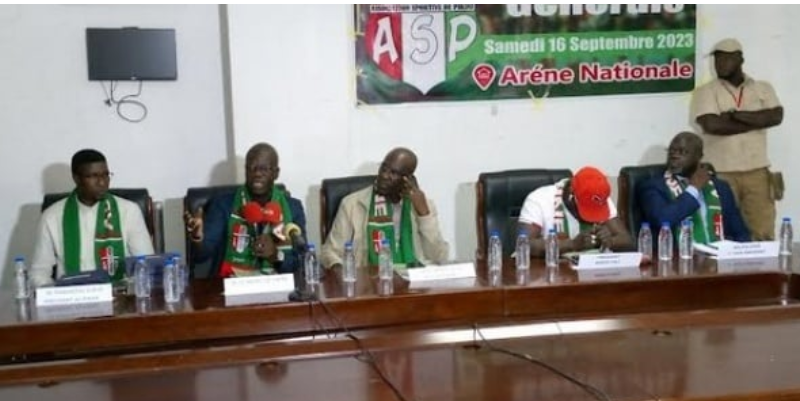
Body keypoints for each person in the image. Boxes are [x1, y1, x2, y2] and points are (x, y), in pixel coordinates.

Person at [691, 38, 783, 240]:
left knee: (762, 233)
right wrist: (757, 119)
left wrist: (733, 115)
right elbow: (712, 125)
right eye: (717, 59)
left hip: (757, 172)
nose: (719, 63)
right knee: (723, 233)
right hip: (720, 174)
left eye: (725, 58)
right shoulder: (705, 92)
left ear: (740, 59)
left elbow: (776, 117)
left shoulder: (763, 88)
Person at [30, 149, 154, 287]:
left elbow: (146, 264)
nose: (102, 182)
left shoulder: (128, 211)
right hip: (71, 299)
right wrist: (54, 295)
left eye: (106, 175)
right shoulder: (52, 217)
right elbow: (39, 273)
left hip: (118, 298)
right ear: (76, 178)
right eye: (93, 176)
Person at [185, 143, 306, 277]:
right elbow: (202, 256)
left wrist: (275, 255)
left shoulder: (293, 208)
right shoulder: (223, 205)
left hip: (279, 287)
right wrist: (198, 238)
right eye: (251, 168)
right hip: (231, 284)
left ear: (276, 173)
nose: (257, 173)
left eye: (264, 169)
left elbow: (302, 262)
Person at [321, 147, 449, 270]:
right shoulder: (353, 204)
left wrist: (424, 214)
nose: (384, 175)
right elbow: (330, 252)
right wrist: (342, 273)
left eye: (393, 173)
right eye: (383, 168)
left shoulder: (422, 205)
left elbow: (439, 257)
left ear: (407, 179)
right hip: (369, 284)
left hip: (414, 283)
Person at [638, 132, 751, 245]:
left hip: (719, 254)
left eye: (683, 152)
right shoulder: (653, 186)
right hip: (679, 256)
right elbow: (663, 220)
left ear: (699, 156)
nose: (675, 156)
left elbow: (740, 232)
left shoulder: (720, 187)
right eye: (672, 151)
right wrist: (693, 189)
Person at [518, 166, 633, 256]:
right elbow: (524, 245)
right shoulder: (539, 199)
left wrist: (607, 241)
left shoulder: (600, 198)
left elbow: (627, 240)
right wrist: (571, 244)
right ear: (571, 192)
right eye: (586, 207)